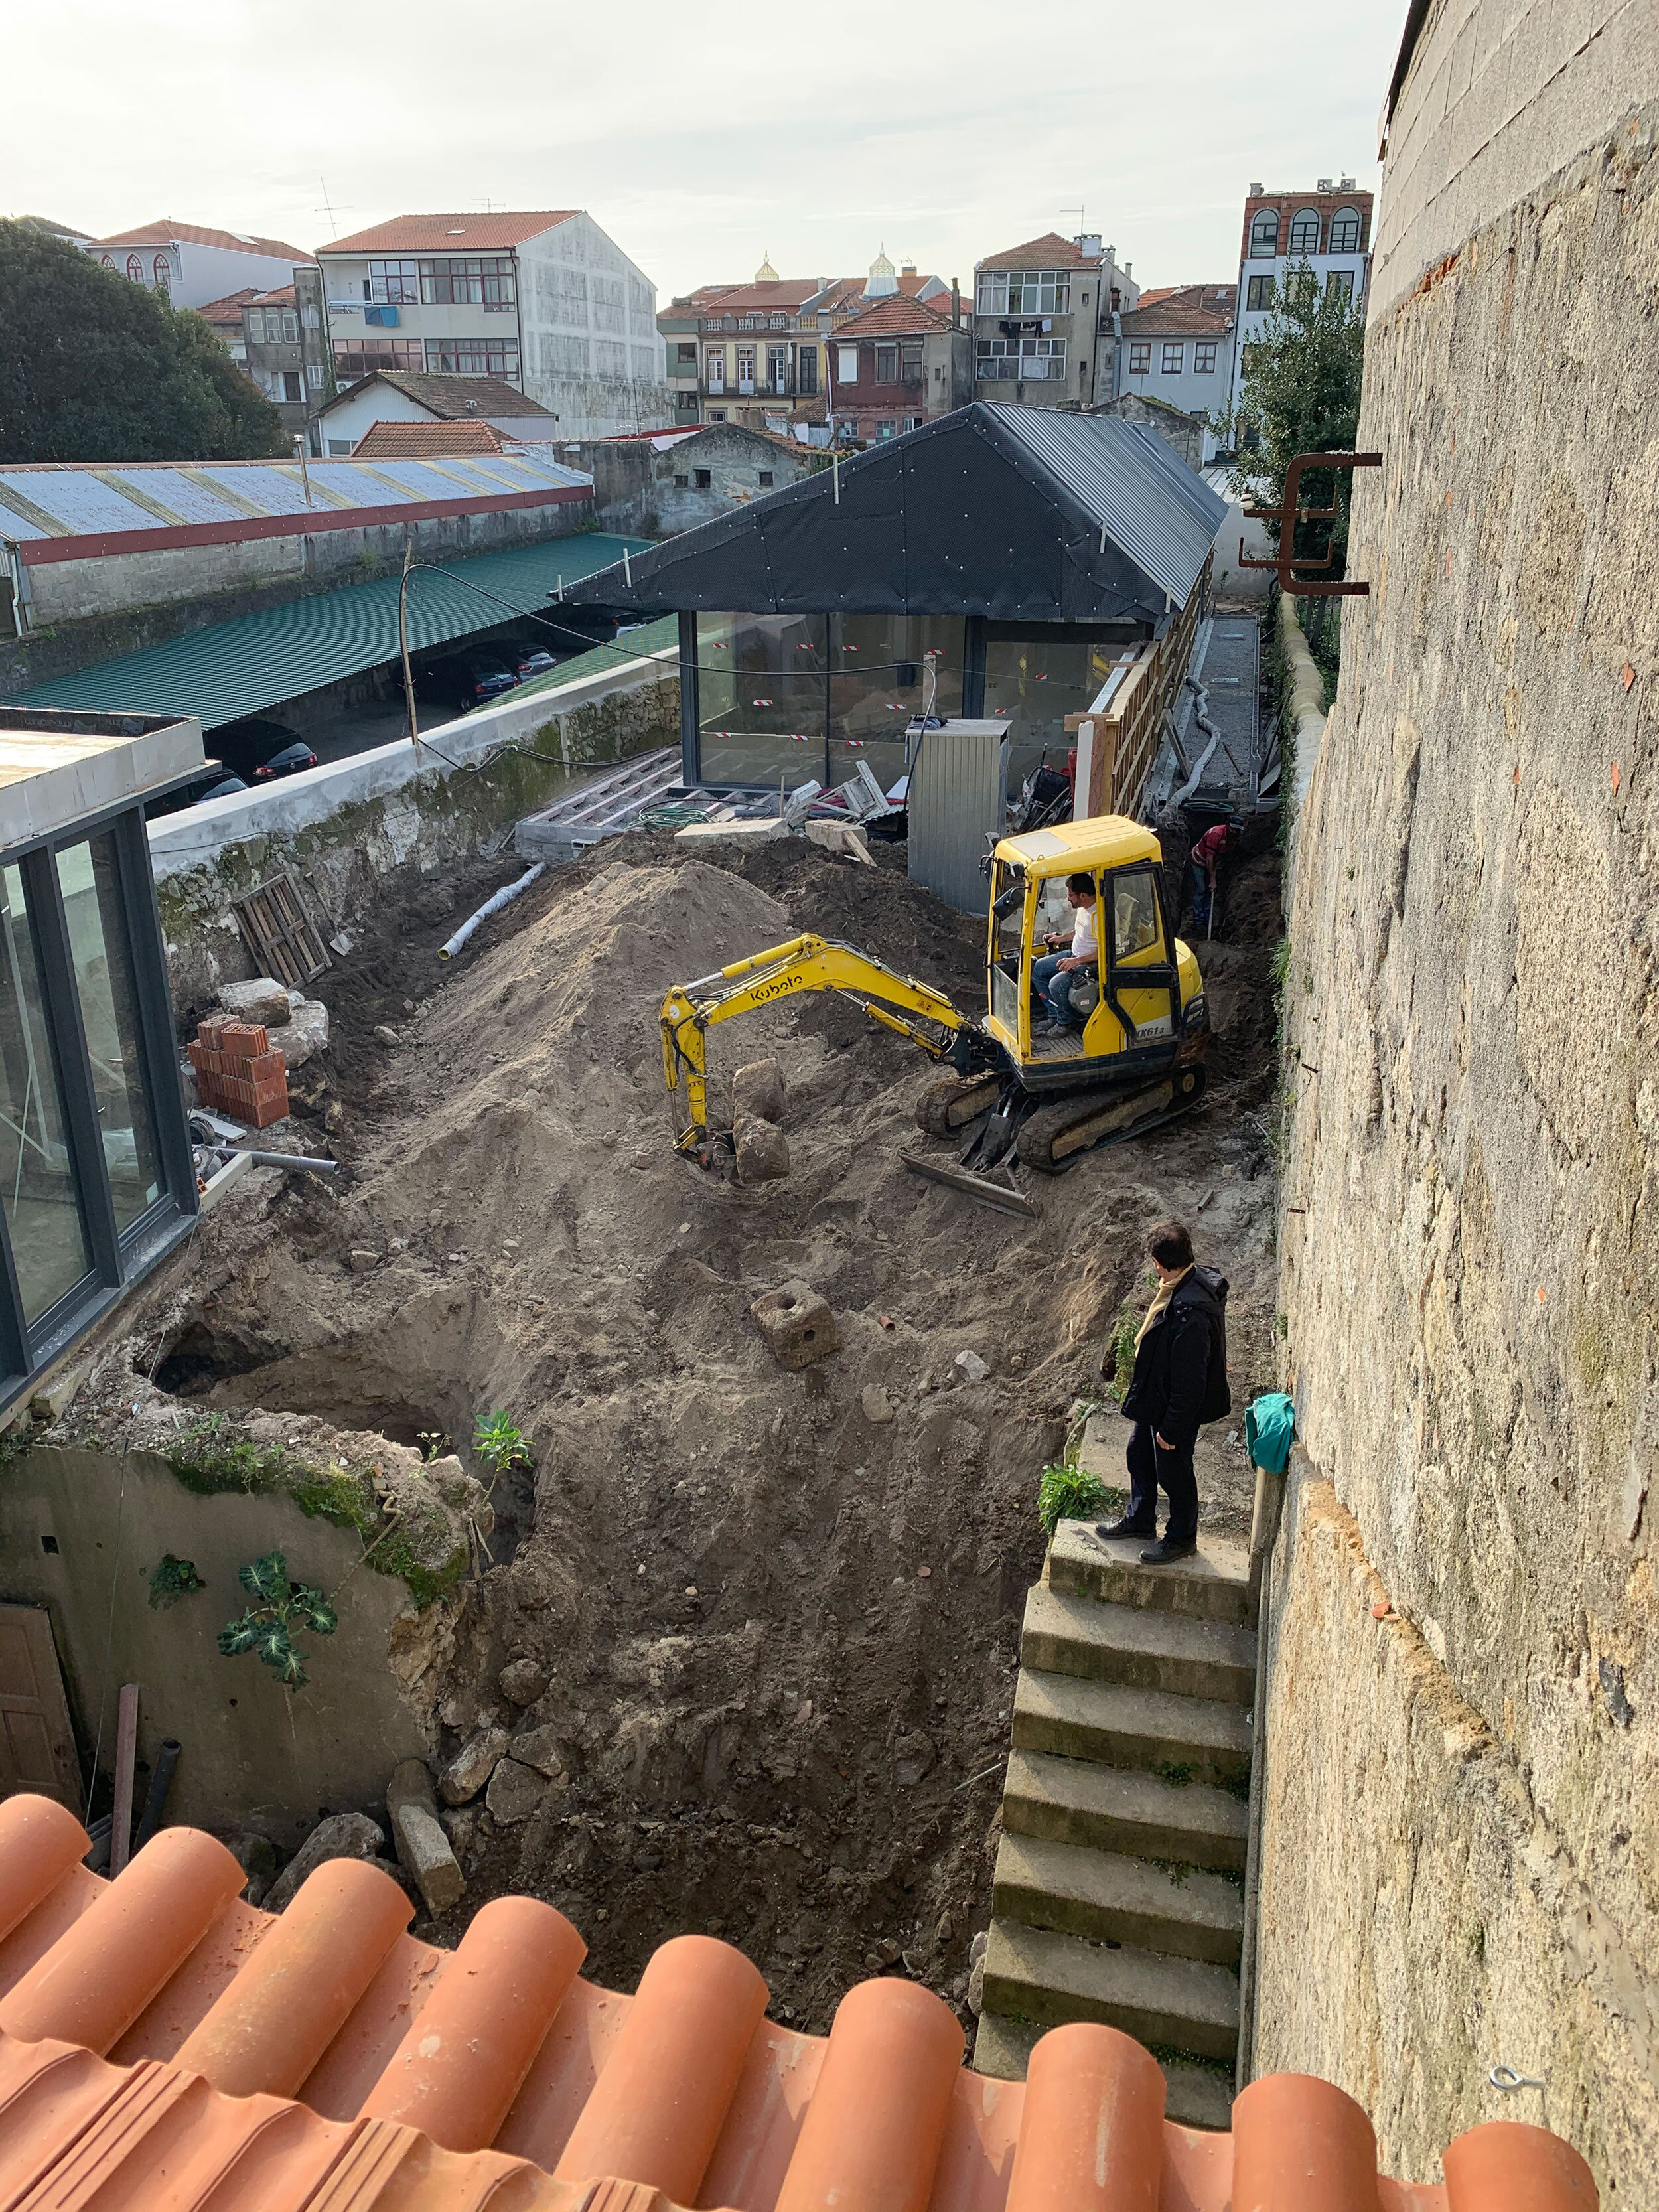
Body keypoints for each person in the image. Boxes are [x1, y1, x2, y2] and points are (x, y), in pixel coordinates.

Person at [1096, 1218, 1230, 1564]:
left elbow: (1191, 1382)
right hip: (1158, 1395)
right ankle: (1141, 1520)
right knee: (1139, 1455)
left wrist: (1172, 1429)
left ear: (1159, 1262)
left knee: (1175, 1471)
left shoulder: (1191, 1313)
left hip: (1175, 1407)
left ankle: (1182, 1538)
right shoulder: (1182, 1285)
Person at [1029, 873, 1098, 1035]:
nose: (1068, 899)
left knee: (1056, 984)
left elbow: (1106, 950)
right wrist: (1061, 938)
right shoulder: (1084, 909)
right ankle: (1053, 1014)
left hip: (1088, 963)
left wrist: (1076, 962)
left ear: (1083, 895)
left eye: (1070, 895)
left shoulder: (1100, 916)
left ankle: (1064, 1023)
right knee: (1039, 969)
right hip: (1074, 954)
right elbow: (1081, 932)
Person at [1189, 820, 1240, 932]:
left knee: (1209, 891)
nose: (1234, 831)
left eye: (1237, 830)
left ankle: (1207, 920)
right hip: (1199, 861)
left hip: (1212, 863)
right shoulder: (1215, 835)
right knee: (1201, 890)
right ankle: (1198, 922)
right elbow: (1209, 858)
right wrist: (1213, 879)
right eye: (1233, 828)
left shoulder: (1233, 836)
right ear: (1227, 826)